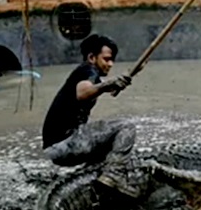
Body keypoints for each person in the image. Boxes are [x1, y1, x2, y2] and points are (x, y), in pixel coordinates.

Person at [42, 34, 139, 197]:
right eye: (107, 59)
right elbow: (83, 93)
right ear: (92, 57)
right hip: (66, 143)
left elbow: (95, 90)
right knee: (126, 127)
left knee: (110, 147)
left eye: (112, 60)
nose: (111, 64)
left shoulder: (89, 74)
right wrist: (109, 83)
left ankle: (97, 187)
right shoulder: (87, 70)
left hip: (57, 149)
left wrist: (113, 84)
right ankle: (113, 176)